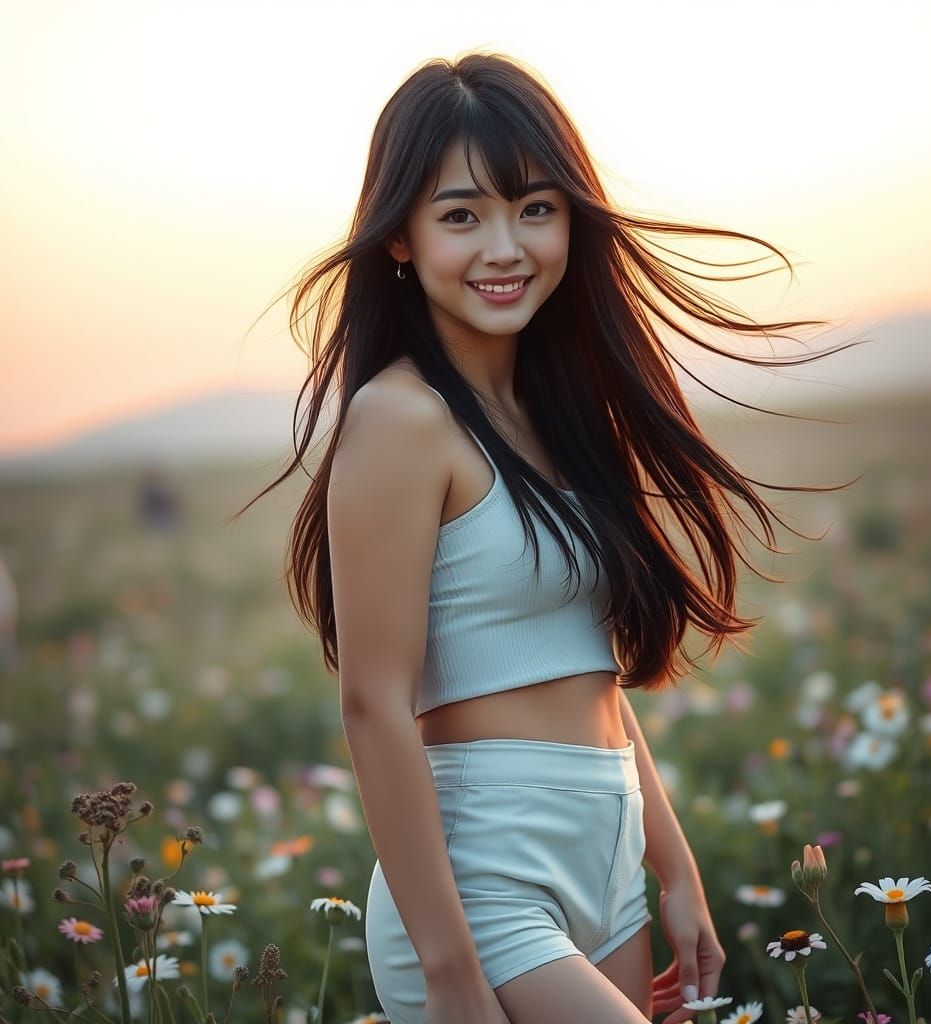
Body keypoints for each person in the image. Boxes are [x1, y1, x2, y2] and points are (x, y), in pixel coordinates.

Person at [240, 51, 862, 1024]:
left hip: (605, 854)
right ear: (399, 236)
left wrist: (673, 865)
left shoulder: (560, 413)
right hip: (479, 883)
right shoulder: (400, 419)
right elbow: (372, 705)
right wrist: (452, 976)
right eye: (461, 216)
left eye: (535, 207)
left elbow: (587, 671)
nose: (505, 246)